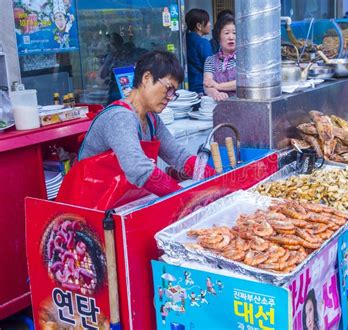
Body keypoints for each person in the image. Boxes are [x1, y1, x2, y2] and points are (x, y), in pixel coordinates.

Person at [57, 50, 215, 210]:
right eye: (168, 88)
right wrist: (185, 199)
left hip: (120, 204)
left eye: (173, 92)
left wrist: (217, 181)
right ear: (146, 78)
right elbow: (138, 168)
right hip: (90, 207)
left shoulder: (152, 119)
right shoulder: (120, 117)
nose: (169, 96)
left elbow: (178, 156)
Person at [203, 15, 236, 101]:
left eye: (234, 33)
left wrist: (218, 86)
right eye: (227, 33)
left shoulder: (245, 59)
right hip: (217, 107)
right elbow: (207, 85)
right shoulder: (210, 60)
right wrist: (216, 93)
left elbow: (243, 83)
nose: (231, 37)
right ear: (218, 36)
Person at [185, 9, 212, 94]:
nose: (210, 24)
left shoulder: (185, 39)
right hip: (201, 87)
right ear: (199, 26)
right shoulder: (203, 43)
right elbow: (210, 66)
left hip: (188, 85)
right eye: (207, 22)